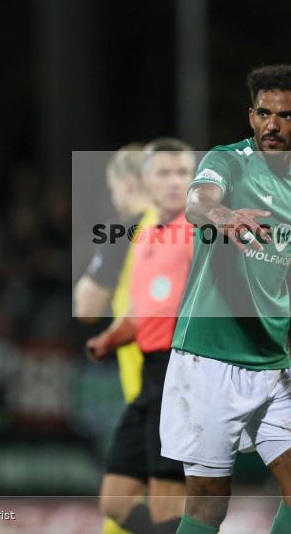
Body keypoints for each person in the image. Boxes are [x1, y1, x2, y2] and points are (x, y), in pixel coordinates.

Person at [160, 64, 291, 534]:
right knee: (209, 506)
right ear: (250, 117)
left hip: (272, 361)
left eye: (286, 115)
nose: (273, 125)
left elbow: (286, 261)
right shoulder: (227, 160)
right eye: (263, 113)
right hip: (210, 356)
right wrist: (223, 214)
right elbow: (197, 203)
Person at [87, 139, 196, 534]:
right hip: (151, 378)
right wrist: (111, 339)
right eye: (164, 173)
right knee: (114, 501)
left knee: (167, 505)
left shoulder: (201, 232)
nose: (173, 182)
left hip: (182, 375)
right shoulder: (146, 237)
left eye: (182, 173)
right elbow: (141, 312)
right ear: (146, 182)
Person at [75, 143, 154, 406]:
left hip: (148, 384)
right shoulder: (186, 226)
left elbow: (87, 308)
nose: (113, 198)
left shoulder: (122, 233)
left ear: (129, 183)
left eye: (113, 189)